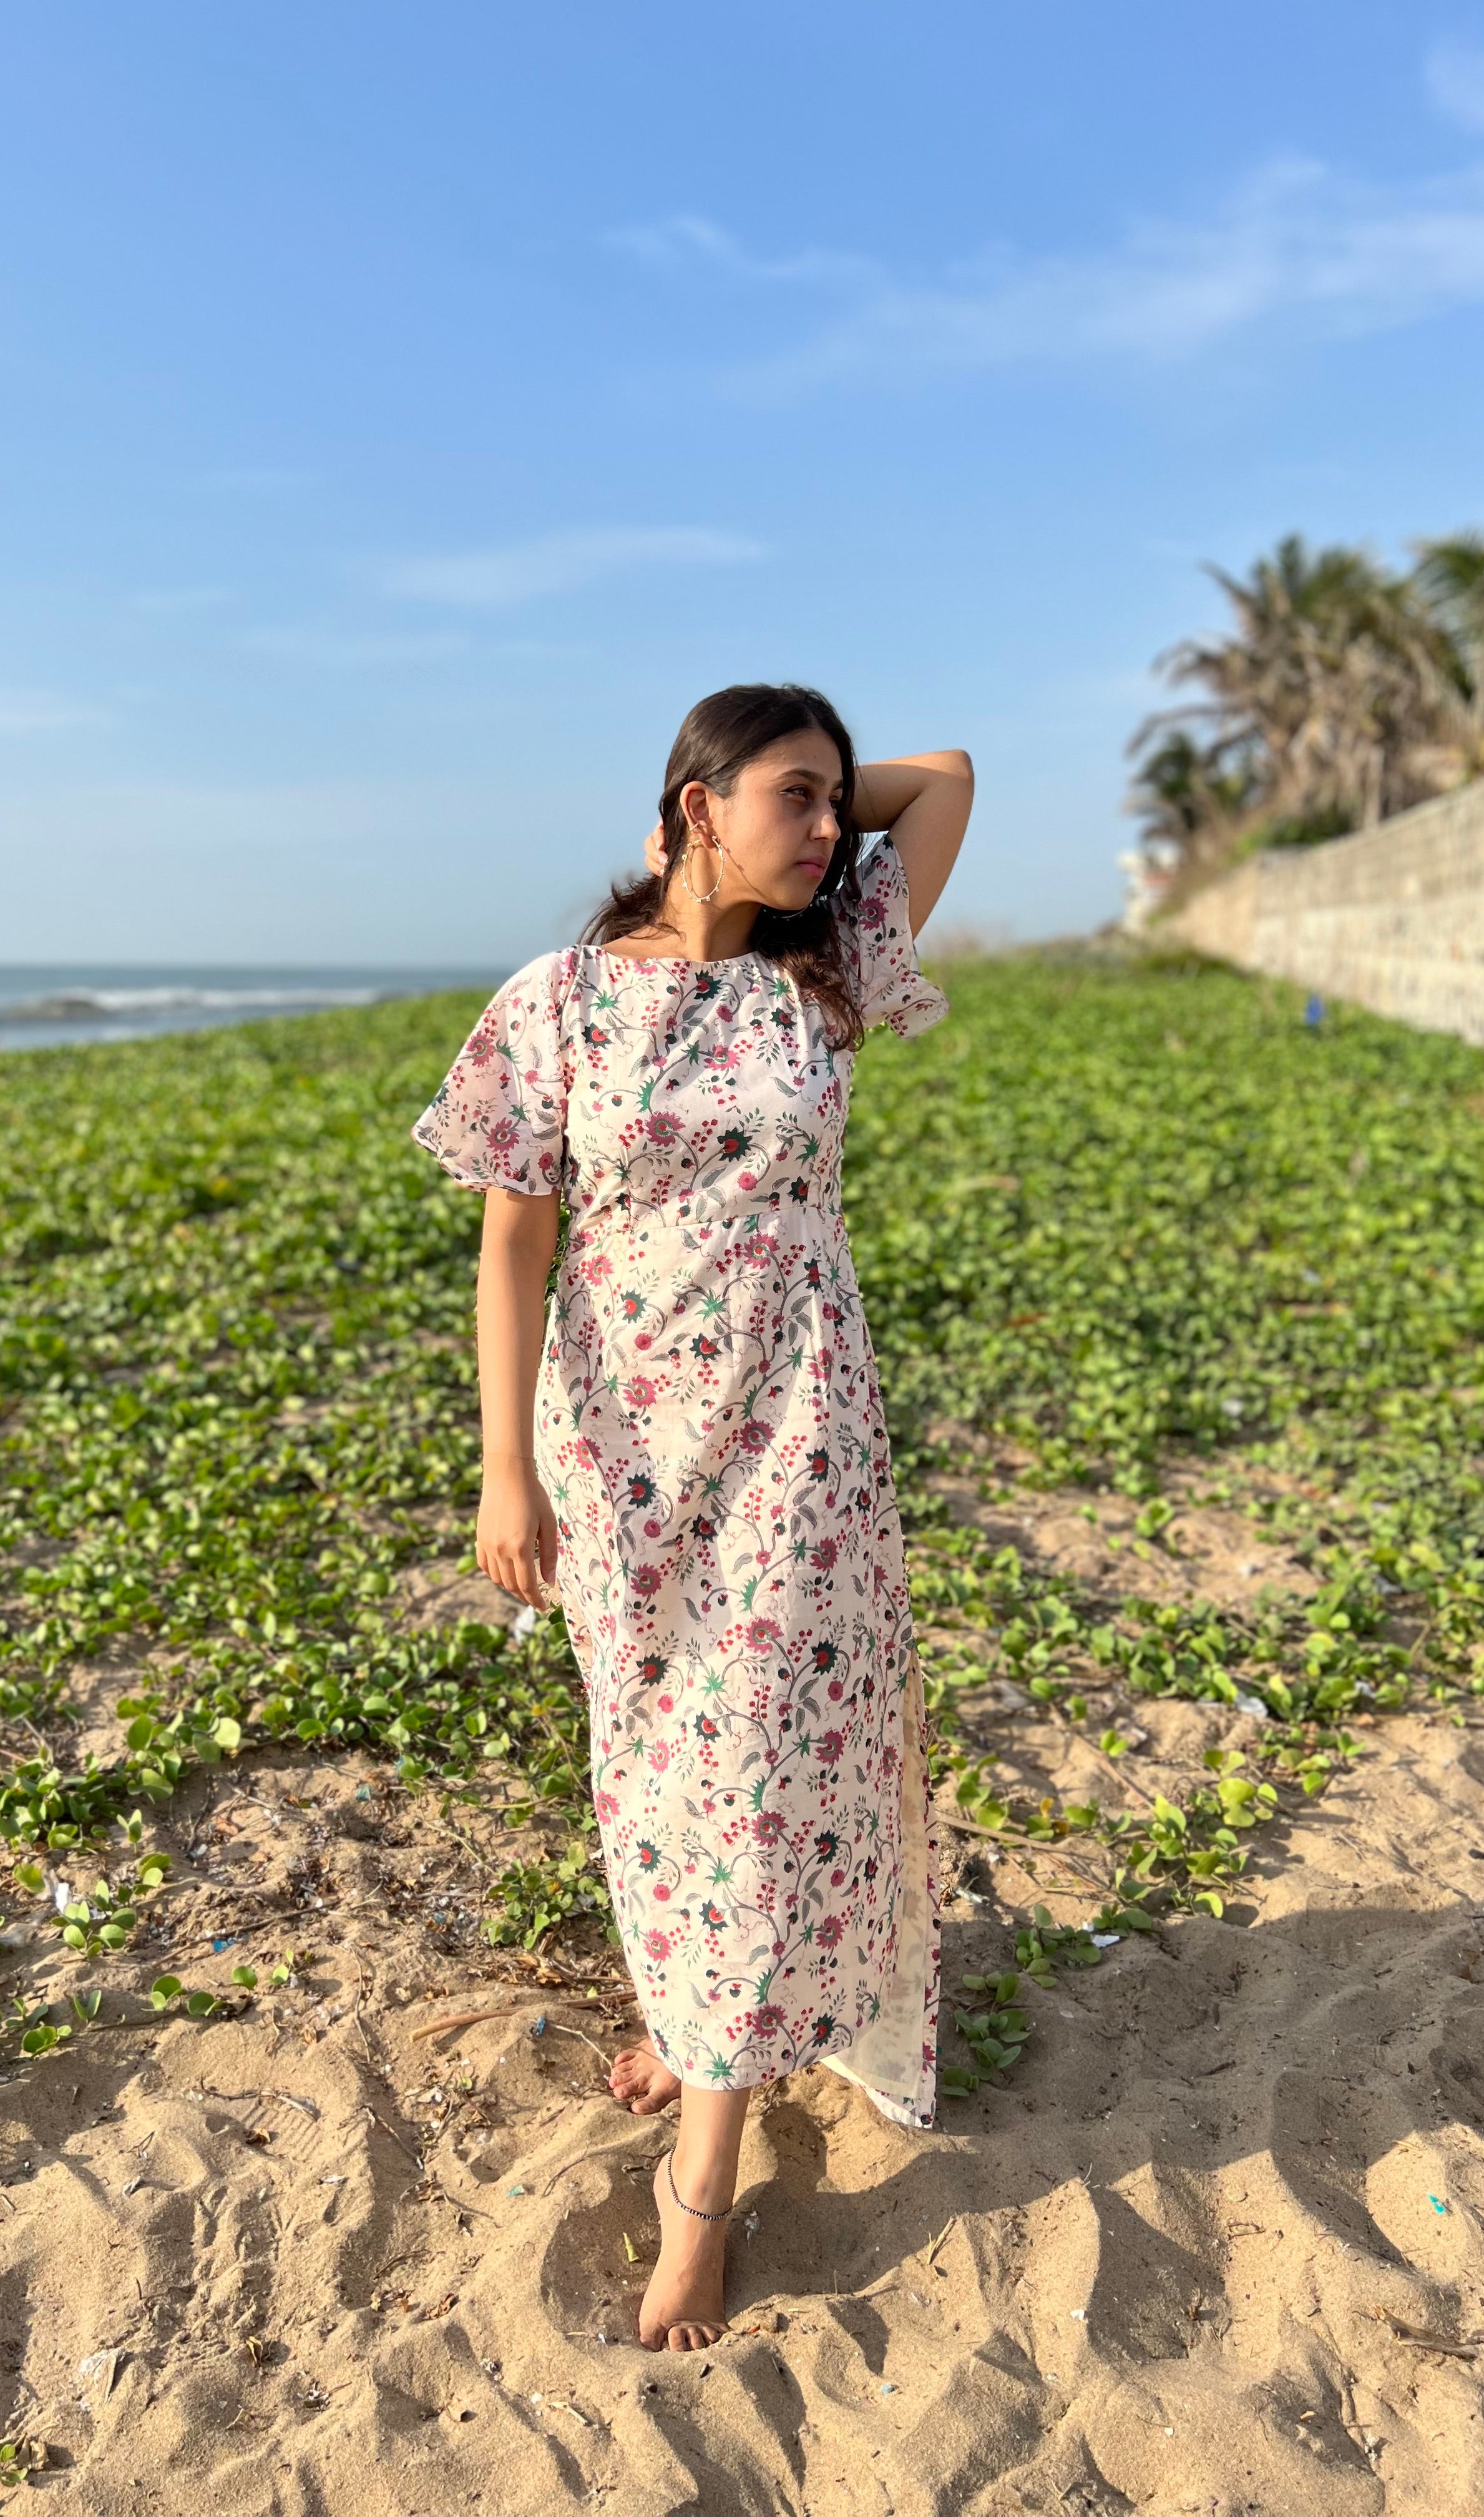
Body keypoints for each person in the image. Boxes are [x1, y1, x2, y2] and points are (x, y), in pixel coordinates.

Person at [411, 684, 974, 2352]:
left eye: (828, 804)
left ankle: (701, 2187)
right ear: (689, 808)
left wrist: (803, 799)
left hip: (800, 1429)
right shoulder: (559, 1004)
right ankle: (698, 2007)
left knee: (759, 1760)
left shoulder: (828, 966)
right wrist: (505, 1468)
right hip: (619, 1440)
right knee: (657, 1751)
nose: (826, 831)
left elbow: (941, 782)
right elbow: (514, 1249)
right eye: (789, 801)